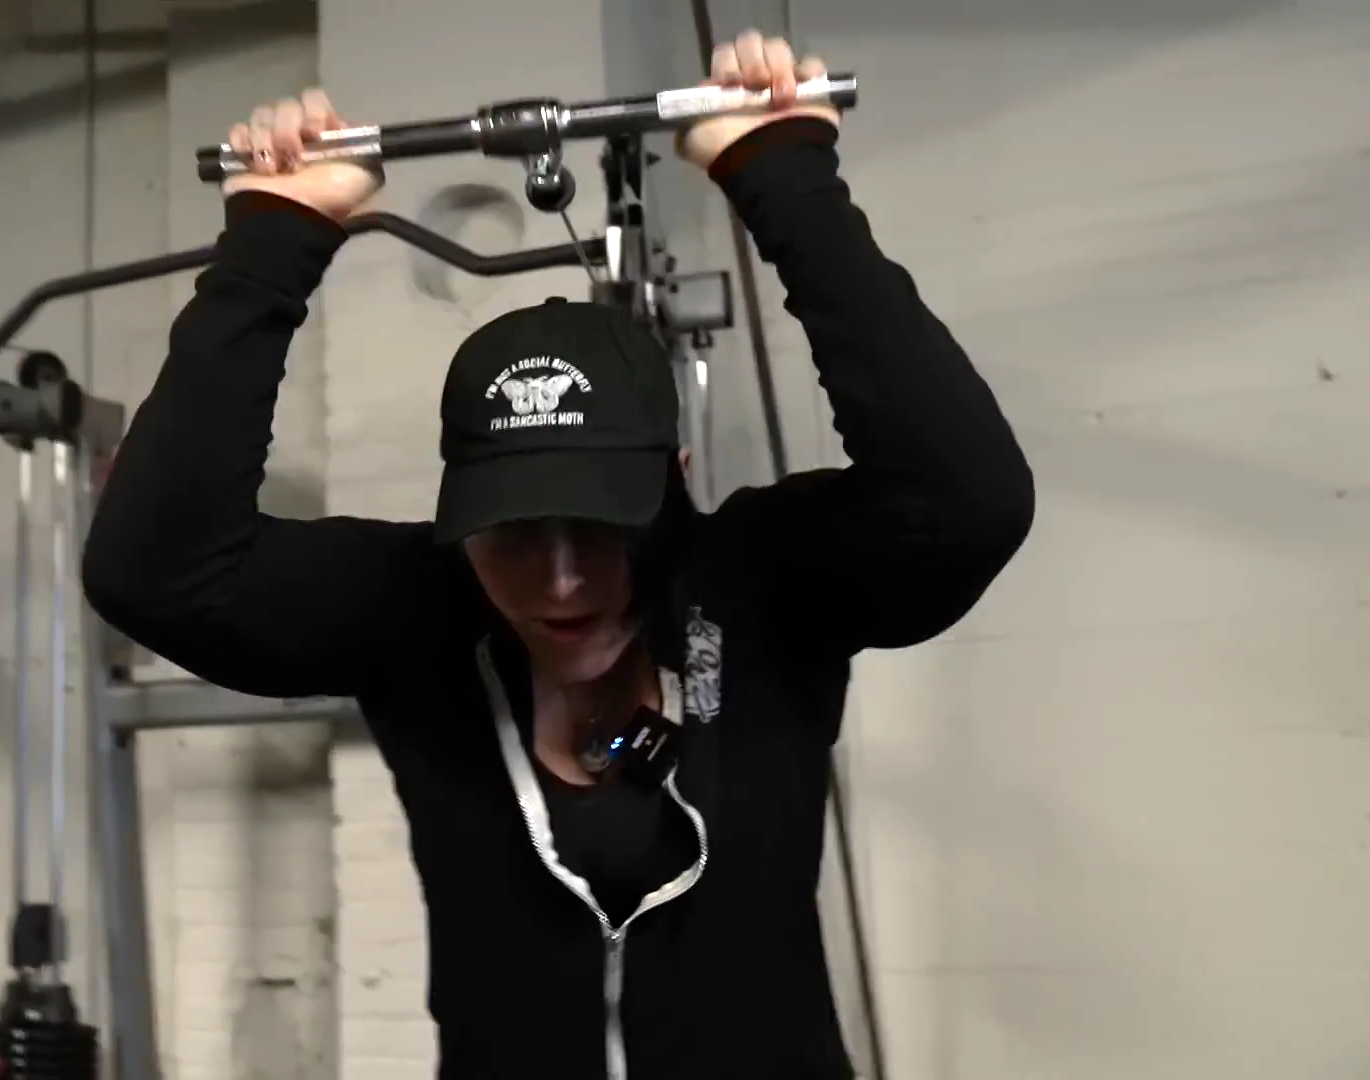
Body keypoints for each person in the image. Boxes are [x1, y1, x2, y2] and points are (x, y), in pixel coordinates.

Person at [84, 29, 1034, 1080]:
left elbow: (969, 502)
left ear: (673, 480)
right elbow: (150, 571)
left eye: (602, 527)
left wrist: (782, 176)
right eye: (515, 534)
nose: (563, 581)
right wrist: (276, 239)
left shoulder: (763, 585)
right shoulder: (421, 615)